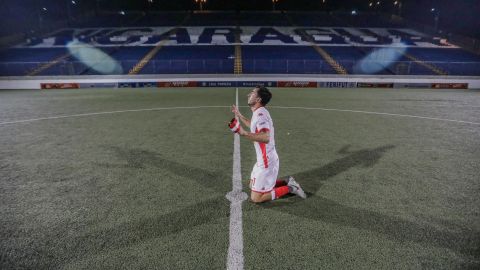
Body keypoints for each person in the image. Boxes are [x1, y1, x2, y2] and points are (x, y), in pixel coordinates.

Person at [231, 86, 306, 203]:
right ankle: (286, 181)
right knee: (252, 185)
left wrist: (243, 133)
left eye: (252, 93)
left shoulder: (260, 114)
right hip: (264, 160)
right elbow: (253, 126)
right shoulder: (259, 113)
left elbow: (266, 137)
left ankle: (292, 187)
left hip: (267, 162)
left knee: (256, 198)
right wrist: (240, 116)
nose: (248, 95)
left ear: (258, 99)